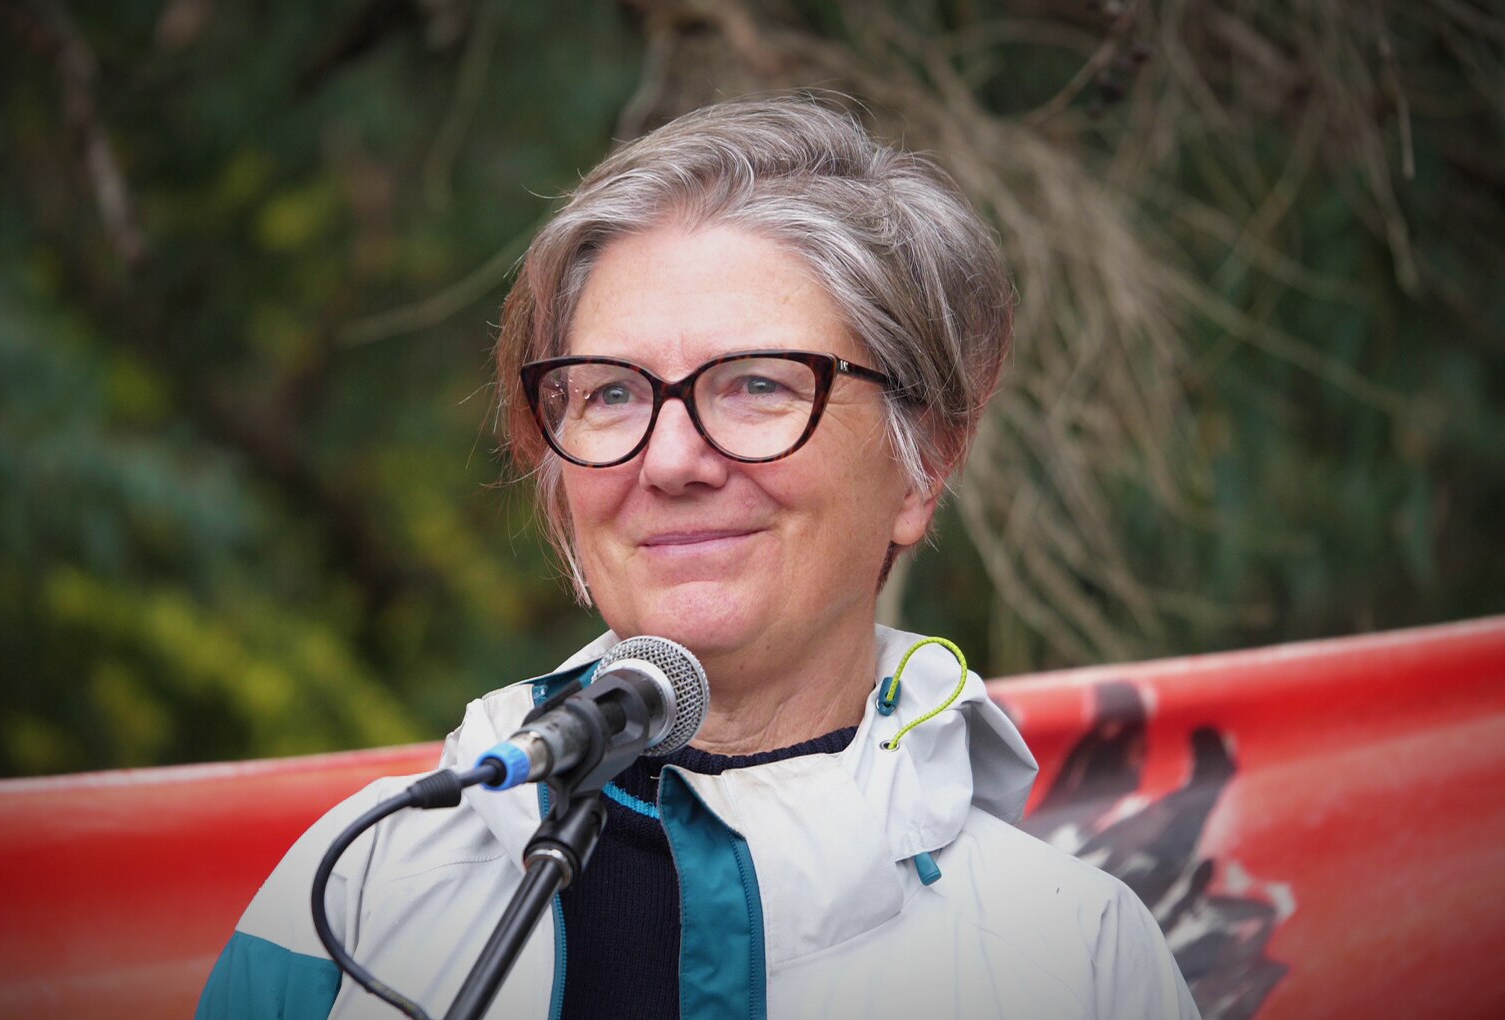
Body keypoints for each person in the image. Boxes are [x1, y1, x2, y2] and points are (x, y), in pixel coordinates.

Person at [197, 94, 1200, 1020]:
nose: (671, 460)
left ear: (923, 463)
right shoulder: (361, 894)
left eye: (758, 384)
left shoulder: (1074, 961)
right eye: (611, 394)